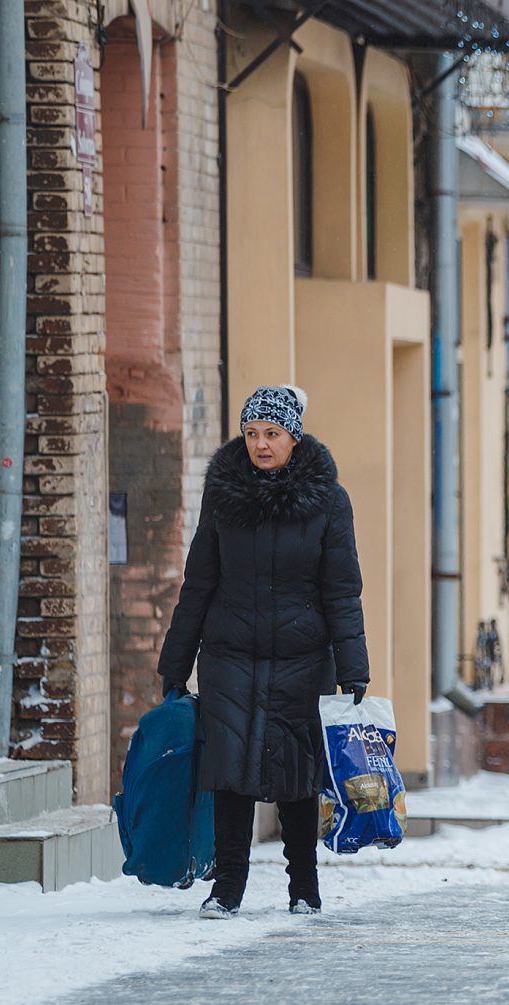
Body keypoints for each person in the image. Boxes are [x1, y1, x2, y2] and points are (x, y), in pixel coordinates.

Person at [158, 385, 368, 919]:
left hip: (301, 657)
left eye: (271, 434)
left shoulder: (329, 501)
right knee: (230, 772)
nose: (260, 444)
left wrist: (353, 667)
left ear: (293, 437)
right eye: (252, 434)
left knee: (296, 776)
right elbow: (198, 583)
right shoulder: (224, 497)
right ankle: (227, 888)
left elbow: (342, 590)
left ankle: (304, 887)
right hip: (230, 655)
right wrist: (176, 663)